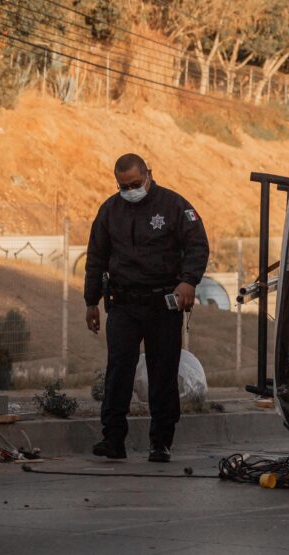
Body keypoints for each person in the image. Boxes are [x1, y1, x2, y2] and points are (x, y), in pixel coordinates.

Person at [85, 154, 209, 463]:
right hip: (124, 304)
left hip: (162, 304)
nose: (130, 190)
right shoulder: (110, 210)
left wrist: (189, 281)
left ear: (149, 175)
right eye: (124, 186)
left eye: (136, 184)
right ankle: (113, 439)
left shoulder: (173, 206)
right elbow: (96, 257)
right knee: (118, 371)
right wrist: (91, 301)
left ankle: (161, 443)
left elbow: (197, 245)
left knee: (163, 373)